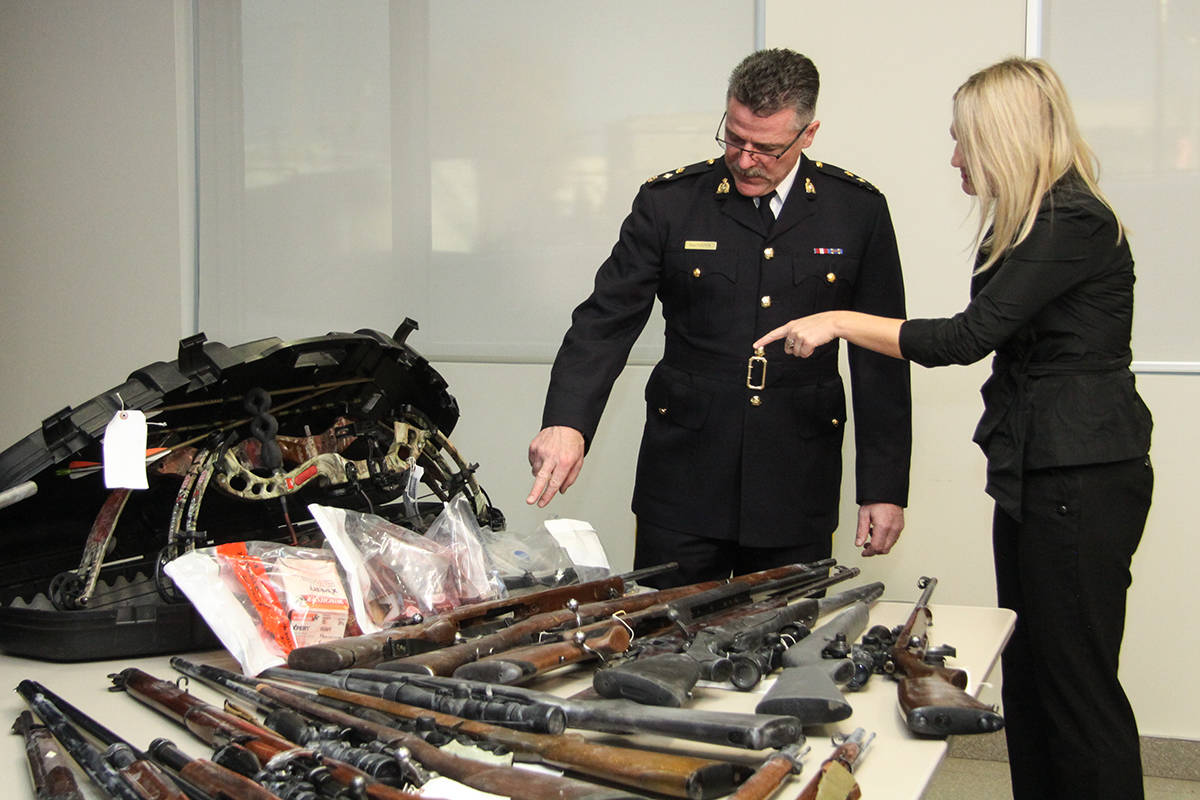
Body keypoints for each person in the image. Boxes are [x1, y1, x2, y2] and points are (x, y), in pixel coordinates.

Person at [755, 57, 1153, 800]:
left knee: (1078, 693)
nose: (955, 158)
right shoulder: (1034, 223)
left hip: (1081, 480)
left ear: (1002, 140)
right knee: (1032, 679)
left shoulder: (1073, 221)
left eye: (963, 141)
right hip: (1040, 475)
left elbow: (966, 338)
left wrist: (840, 320)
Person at [526, 48, 912, 588]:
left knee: (786, 646)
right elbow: (605, 320)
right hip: (685, 475)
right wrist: (566, 422)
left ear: (808, 134)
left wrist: (883, 487)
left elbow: (882, 357)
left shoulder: (857, 211)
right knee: (664, 647)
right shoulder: (671, 203)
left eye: (767, 148)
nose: (746, 159)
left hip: (795, 478)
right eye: (734, 138)